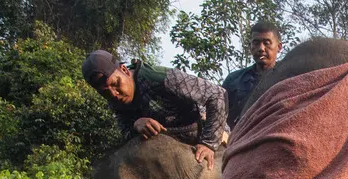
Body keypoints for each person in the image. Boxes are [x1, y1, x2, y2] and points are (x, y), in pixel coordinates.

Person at [81, 50, 226, 169]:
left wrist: (209, 143)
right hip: (169, 149)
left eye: (116, 84)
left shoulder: (161, 78)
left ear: (124, 70)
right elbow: (125, 133)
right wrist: (136, 125)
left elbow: (217, 94)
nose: (114, 94)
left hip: (204, 132)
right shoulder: (114, 101)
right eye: (105, 92)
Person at [222, 21, 283, 127]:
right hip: (235, 139)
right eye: (256, 43)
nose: (261, 48)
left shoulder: (288, 79)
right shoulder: (234, 79)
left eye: (267, 43)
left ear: (279, 47)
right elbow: (220, 114)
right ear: (250, 46)